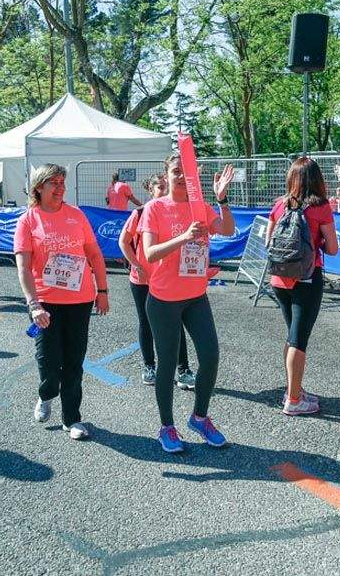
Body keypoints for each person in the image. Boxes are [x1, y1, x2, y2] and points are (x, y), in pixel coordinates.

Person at [139, 155, 235, 453]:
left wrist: (222, 199)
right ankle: (167, 427)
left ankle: (200, 417)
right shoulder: (155, 208)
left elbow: (228, 229)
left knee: (210, 356)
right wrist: (184, 237)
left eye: (186, 172)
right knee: (167, 365)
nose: (181, 176)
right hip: (164, 299)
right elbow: (150, 254)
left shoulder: (200, 207)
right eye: (175, 171)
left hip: (195, 296)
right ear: (166, 176)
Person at [15, 164, 109, 441]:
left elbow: (94, 254)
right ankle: (46, 395)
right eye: (53, 183)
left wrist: (102, 290)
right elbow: (23, 267)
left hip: (79, 300)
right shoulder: (29, 220)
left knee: (73, 361)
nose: (59, 188)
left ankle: (72, 418)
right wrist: (33, 305)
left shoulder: (76, 216)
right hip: (45, 302)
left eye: (62, 183)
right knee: (48, 359)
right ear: (39, 187)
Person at [265, 158, 339, 415]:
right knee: (299, 339)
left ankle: (292, 389)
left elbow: (268, 241)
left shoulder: (279, 204)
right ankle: (294, 400)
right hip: (307, 278)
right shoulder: (320, 207)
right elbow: (332, 248)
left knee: (292, 334)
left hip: (279, 279)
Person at [118, 174, 196, 390]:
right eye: (159, 187)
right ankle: (149, 366)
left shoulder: (176, 211)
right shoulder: (141, 212)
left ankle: (183, 369)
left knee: (176, 322)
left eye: (165, 186)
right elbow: (123, 242)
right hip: (143, 279)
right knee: (146, 322)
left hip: (168, 277)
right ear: (151, 191)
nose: (163, 190)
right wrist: (136, 264)